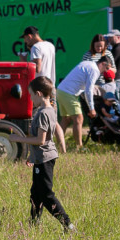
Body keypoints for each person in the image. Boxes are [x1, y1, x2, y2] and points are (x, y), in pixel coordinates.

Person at [7, 77, 74, 231]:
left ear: (38, 93)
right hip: (41, 159)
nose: (30, 99)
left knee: (46, 194)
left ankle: (67, 224)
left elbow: (40, 140)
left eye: (31, 95)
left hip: (45, 159)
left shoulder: (43, 113)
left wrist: (18, 138)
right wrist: (32, 157)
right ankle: (33, 224)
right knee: (35, 194)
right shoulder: (49, 110)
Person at [56, 55, 111, 150]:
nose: (105, 72)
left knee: (66, 119)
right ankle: (79, 147)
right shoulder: (95, 70)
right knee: (78, 119)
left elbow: (82, 86)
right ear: (102, 64)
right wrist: (92, 108)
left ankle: (58, 147)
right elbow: (88, 90)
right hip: (68, 93)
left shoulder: (88, 63)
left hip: (61, 91)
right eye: (107, 68)